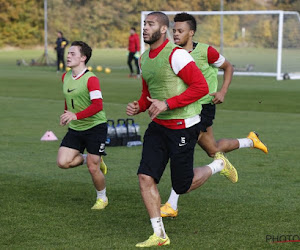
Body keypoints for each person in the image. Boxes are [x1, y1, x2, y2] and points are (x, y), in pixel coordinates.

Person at [126, 11, 238, 248]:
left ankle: (218, 164)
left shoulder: (176, 56)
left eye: (150, 24)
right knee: (145, 176)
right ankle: (159, 235)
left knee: (182, 186)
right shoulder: (144, 59)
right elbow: (148, 95)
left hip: (183, 128)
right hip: (157, 127)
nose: (145, 28)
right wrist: (140, 105)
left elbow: (200, 87)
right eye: (144, 24)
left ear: (163, 29)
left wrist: (167, 104)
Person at [160, 12, 269, 218]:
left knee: (183, 151)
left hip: (202, 108)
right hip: (183, 109)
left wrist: (222, 91)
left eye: (180, 31)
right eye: (174, 30)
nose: (175, 34)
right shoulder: (171, 53)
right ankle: (250, 141)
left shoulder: (205, 51)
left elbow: (229, 67)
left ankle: (172, 204)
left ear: (191, 32)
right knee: (214, 149)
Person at [57, 41, 108, 210]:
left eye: (72, 54)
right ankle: (92, 157)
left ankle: (102, 198)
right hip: (76, 127)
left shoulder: (91, 79)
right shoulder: (65, 76)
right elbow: (68, 97)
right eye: (68, 53)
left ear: (83, 58)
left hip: (95, 127)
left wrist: (75, 115)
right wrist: (66, 113)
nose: (68, 56)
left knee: (93, 168)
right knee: (63, 162)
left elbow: (97, 105)